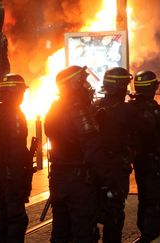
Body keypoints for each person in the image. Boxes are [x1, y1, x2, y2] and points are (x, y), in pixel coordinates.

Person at [45, 65, 105, 243]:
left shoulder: (54, 108)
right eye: (82, 81)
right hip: (78, 180)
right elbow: (92, 148)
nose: (86, 85)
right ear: (72, 84)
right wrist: (108, 179)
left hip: (58, 177)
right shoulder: (78, 110)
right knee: (84, 232)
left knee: (61, 231)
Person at [130, 70, 160, 242]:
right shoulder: (158, 112)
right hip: (153, 162)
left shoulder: (128, 109)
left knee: (143, 197)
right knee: (152, 199)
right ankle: (149, 235)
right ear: (152, 89)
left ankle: (143, 229)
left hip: (134, 160)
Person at [0, 74, 32, 243]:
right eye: (20, 92)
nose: (22, 96)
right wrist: (21, 179)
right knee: (17, 220)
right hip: (10, 177)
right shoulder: (13, 115)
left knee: (4, 219)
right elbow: (16, 151)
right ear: (14, 92)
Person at [94, 67, 136, 242]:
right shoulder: (127, 111)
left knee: (92, 212)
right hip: (116, 170)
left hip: (94, 169)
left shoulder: (92, 107)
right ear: (120, 87)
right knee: (114, 216)